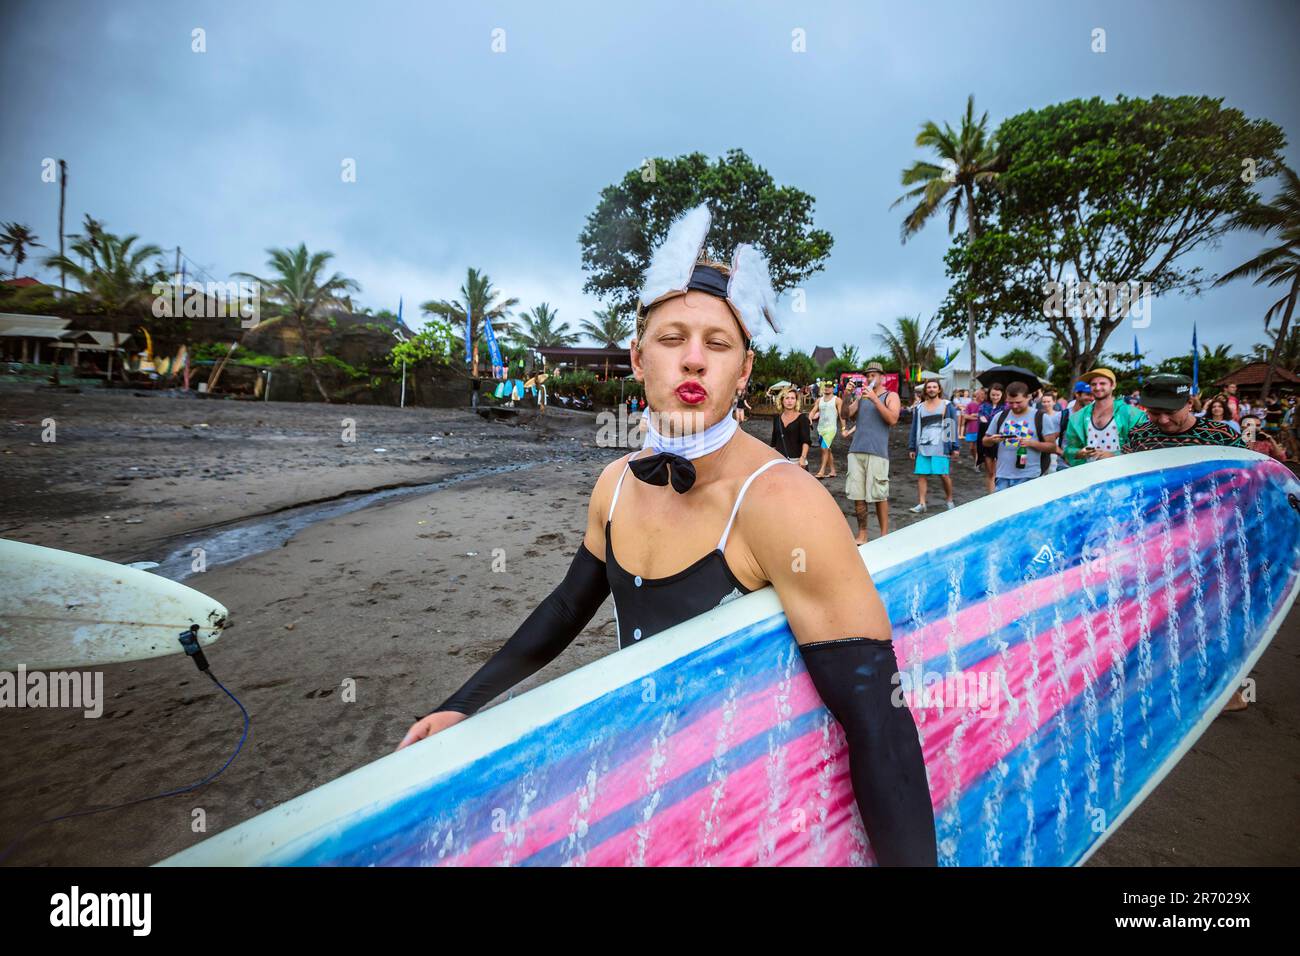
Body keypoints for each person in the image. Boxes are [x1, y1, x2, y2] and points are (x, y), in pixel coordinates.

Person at [399, 205, 937, 864]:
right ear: (637, 356)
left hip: (750, 812)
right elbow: (569, 605)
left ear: (744, 372)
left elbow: (876, 720)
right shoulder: (617, 483)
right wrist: (463, 706)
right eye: (671, 337)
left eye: (717, 344)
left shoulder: (780, 503)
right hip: (643, 789)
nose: (692, 360)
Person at [844, 362, 901, 543]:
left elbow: (892, 419)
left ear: (882, 377)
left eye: (874, 375)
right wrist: (846, 395)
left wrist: (875, 399)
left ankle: (884, 535)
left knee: (879, 494)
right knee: (857, 495)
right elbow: (846, 414)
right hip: (856, 450)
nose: (870, 378)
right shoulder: (862, 398)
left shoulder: (891, 396)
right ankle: (863, 533)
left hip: (877, 452)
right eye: (868, 375)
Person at [1062, 368, 1147, 465]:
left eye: (1102, 383)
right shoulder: (1078, 418)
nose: (1097, 388)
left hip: (1123, 473)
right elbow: (1069, 450)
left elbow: (1143, 445)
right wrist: (1079, 453)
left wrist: (1115, 455)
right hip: (1090, 475)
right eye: (1093, 384)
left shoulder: (1131, 414)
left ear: (1113, 385)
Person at [982, 382, 1058, 490]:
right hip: (1003, 475)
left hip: (1029, 476)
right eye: (1010, 402)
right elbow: (985, 441)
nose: (1014, 406)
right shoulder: (1000, 416)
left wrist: (1031, 443)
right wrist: (992, 439)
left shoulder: (1041, 417)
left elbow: (1052, 447)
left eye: (1018, 402)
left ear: (1028, 397)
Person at [907, 379, 960, 512]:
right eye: (929, 387)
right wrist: (912, 446)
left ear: (939, 389)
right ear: (925, 390)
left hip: (941, 447)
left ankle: (949, 500)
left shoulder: (947, 405)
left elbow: (951, 426)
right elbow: (914, 428)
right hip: (923, 447)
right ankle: (922, 504)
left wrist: (955, 447)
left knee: (943, 475)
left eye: (934, 387)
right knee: (921, 474)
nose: (931, 389)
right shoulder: (919, 407)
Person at [976, 383, 1007, 492]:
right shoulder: (984, 406)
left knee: (997, 472)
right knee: (990, 472)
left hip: (1000, 442)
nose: (995, 397)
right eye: (993, 395)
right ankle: (990, 495)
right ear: (989, 394)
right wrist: (980, 418)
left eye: (997, 395)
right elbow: (979, 418)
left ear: (1002, 395)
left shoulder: (1006, 407)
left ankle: (997, 493)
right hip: (986, 440)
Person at [770, 387, 811, 468]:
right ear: (782, 400)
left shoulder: (802, 418)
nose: (790, 401)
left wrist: (803, 458)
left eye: (793, 398)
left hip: (797, 462)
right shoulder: (777, 418)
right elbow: (774, 441)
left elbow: (806, 441)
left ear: (796, 401)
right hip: (779, 461)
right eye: (787, 398)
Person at [808, 381, 841, 479]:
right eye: (826, 386)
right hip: (820, 429)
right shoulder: (819, 400)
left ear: (833, 388)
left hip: (831, 428)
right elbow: (814, 411)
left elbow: (841, 415)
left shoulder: (837, 400)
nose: (827, 388)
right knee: (827, 449)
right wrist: (810, 418)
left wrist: (843, 427)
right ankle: (833, 471)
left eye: (829, 387)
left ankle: (821, 471)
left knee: (824, 449)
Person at [962, 388, 985, 464]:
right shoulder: (970, 404)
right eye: (981, 394)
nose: (983, 396)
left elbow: (986, 416)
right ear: (976, 395)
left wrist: (975, 415)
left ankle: (978, 461)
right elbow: (965, 416)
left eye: (983, 394)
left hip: (982, 429)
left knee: (980, 446)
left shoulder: (985, 405)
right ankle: (976, 458)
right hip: (971, 429)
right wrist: (977, 417)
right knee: (972, 448)